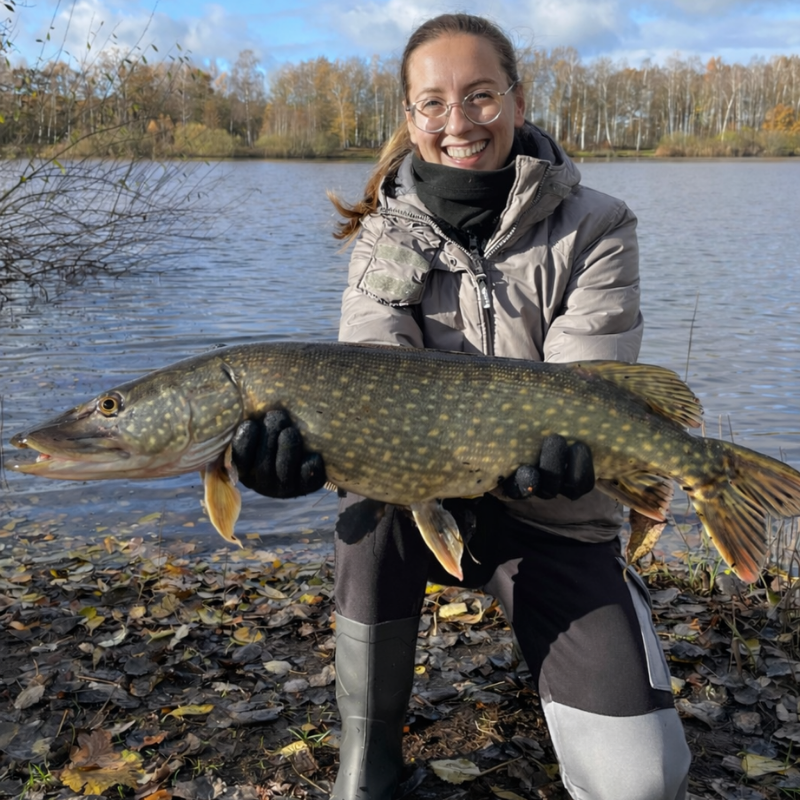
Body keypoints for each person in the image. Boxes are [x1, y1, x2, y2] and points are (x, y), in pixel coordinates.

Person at [232, 13, 691, 800]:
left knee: (639, 784)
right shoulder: (384, 233)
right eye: (433, 103)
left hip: (558, 517)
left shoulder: (598, 225)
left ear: (517, 99)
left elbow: (591, 384)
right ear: (409, 118)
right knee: (364, 513)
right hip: (421, 504)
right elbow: (376, 374)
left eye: (480, 96)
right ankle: (367, 760)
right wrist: (287, 458)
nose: (459, 123)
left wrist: (569, 460)